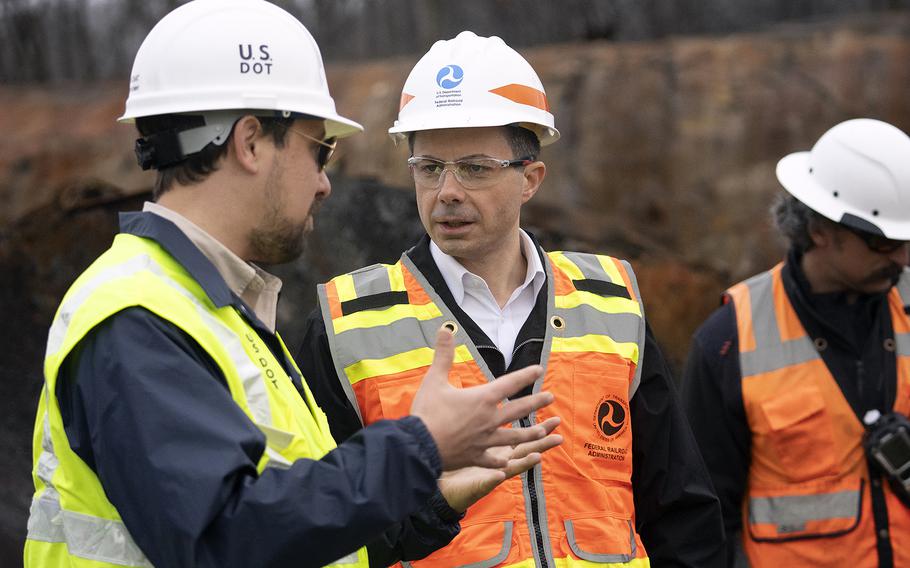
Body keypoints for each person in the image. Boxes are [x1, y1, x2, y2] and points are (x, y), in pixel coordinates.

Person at [23, 3, 563, 567]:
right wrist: (417, 447)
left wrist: (425, 505)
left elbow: (284, 529)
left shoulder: (212, 312)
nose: (326, 183)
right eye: (318, 149)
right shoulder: (136, 318)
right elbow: (222, 540)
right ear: (251, 142)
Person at [298, 31, 725, 567]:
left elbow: (681, 511)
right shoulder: (347, 323)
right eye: (429, 168)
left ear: (531, 179)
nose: (447, 191)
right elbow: (319, 527)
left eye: (475, 168)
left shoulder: (612, 302)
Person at [681, 118, 910, 567]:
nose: (903, 259)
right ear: (822, 231)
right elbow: (701, 520)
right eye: (882, 244)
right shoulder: (729, 341)